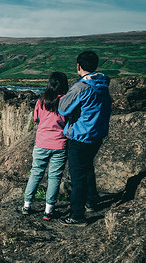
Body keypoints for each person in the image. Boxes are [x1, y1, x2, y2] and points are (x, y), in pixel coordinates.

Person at [58, 50, 112, 226]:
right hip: (97, 135)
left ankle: (77, 215)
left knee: (77, 176)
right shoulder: (103, 84)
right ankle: (91, 201)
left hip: (80, 136)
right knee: (88, 168)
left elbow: (63, 109)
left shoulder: (81, 87)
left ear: (79, 66)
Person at [22, 72, 69, 220]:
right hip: (60, 144)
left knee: (36, 173)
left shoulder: (41, 100)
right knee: (54, 177)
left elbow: (36, 119)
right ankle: (48, 210)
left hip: (42, 143)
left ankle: (26, 205)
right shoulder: (66, 101)